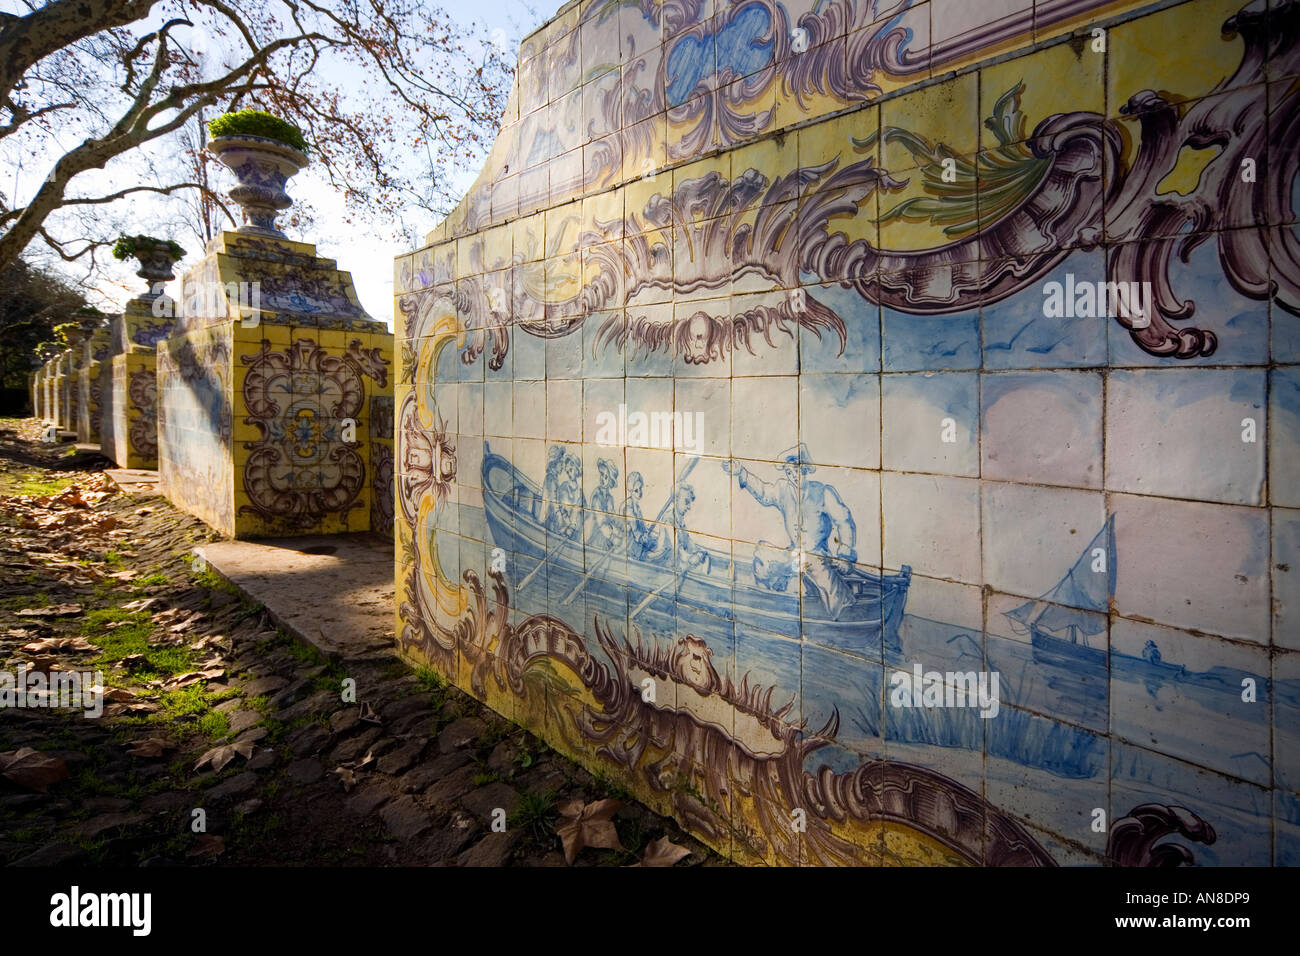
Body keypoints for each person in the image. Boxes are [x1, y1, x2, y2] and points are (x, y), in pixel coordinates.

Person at [723, 443, 857, 617]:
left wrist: (845, 554)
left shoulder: (823, 492)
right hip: (794, 553)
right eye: (789, 472)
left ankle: (843, 616)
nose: (793, 476)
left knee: (832, 592)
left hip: (817, 556)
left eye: (797, 470)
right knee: (764, 558)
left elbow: (844, 521)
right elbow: (763, 492)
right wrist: (742, 473)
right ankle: (773, 606)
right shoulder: (782, 490)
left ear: (806, 470)